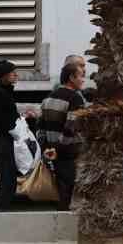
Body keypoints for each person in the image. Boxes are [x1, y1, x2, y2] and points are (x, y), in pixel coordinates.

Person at [41, 61, 87, 209]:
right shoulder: (75, 98)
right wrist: (58, 148)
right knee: (71, 191)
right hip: (70, 153)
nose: (83, 80)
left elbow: (40, 126)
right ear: (71, 78)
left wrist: (48, 147)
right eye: (81, 76)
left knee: (61, 190)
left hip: (52, 153)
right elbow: (71, 128)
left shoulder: (48, 98)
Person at [0, 60, 21, 209]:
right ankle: (1, 209)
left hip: (7, 140)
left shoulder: (5, 92)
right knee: (7, 178)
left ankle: (3, 208)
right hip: (4, 141)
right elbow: (3, 120)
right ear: (3, 76)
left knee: (10, 177)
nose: (16, 75)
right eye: (12, 72)